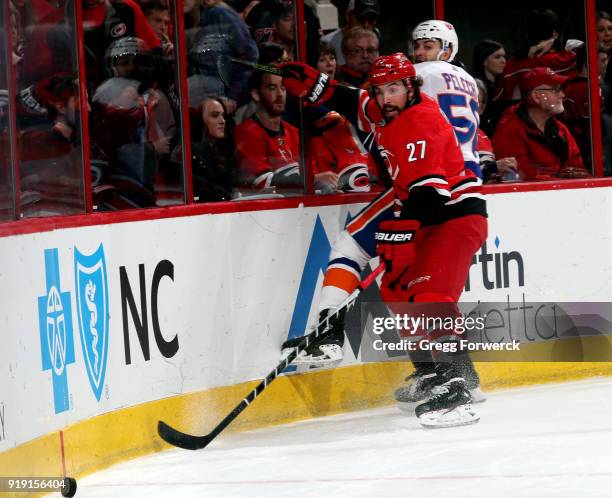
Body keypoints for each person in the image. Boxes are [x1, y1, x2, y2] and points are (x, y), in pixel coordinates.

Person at [279, 53, 488, 428]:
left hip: (453, 215)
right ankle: (434, 373)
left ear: (412, 87)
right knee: (395, 288)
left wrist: (400, 231)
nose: (385, 98)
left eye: (394, 89)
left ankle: (457, 387)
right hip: (416, 210)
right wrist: (313, 83)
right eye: (380, 91)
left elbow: (429, 194)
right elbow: (352, 100)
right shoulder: (384, 109)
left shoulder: (420, 122)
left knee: (430, 296)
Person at [409, 20, 481, 177]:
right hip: (472, 166)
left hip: (440, 165)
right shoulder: (470, 80)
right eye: (416, 46)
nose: (418, 52)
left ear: (447, 51)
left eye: (427, 46)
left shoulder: (418, 72)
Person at [492, 67, 590, 181]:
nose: (563, 94)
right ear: (536, 96)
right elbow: (520, 176)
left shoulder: (561, 129)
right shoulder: (509, 129)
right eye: (555, 89)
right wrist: (560, 180)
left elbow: (578, 169)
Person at [493, 9, 577, 110]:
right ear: (555, 33)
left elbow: (497, 101)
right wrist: (556, 43)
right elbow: (589, 50)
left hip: (518, 121)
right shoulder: (564, 60)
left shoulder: (511, 65)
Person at [233, 71, 301, 191]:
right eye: (272, 88)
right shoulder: (245, 133)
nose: (280, 94)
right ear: (255, 95)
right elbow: (262, 182)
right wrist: (311, 180)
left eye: (283, 88)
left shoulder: (294, 133)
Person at [190, 96, 236, 201]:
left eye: (224, 116)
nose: (222, 121)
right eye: (215, 115)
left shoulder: (224, 150)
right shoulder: (194, 155)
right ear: (201, 120)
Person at [475, 79, 518, 182]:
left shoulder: (483, 137)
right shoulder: (449, 133)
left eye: (474, 100)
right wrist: (494, 168)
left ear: (482, 108)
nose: (467, 104)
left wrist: (500, 171)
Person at [321, 0, 380, 66]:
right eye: (360, 18)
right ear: (348, 16)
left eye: (371, 19)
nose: (366, 24)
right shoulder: (329, 42)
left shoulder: (376, 40)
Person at [472, 39, 506, 134]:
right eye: (497, 57)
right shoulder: (476, 87)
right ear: (484, 61)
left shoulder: (502, 86)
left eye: (504, 56)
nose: (503, 61)